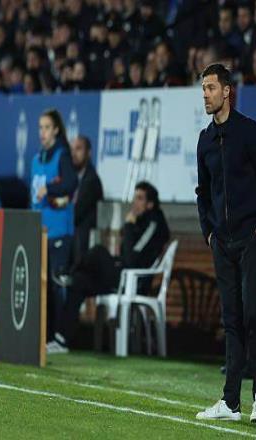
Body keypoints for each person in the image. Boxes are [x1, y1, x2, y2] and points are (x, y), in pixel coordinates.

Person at [195, 63, 256, 423]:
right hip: (222, 243)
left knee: (253, 315)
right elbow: (202, 192)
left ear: (227, 91)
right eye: (203, 89)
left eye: (211, 88)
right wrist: (209, 232)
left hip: (250, 240)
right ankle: (231, 402)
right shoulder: (205, 140)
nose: (206, 95)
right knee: (231, 319)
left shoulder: (248, 131)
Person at [52, 181, 170, 351]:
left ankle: (68, 272)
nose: (134, 202)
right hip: (121, 275)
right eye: (134, 197)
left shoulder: (154, 224)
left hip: (133, 281)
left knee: (98, 251)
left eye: (140, 198)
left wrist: (128, 226)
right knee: (78, 282)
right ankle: (61, 340)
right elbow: (127, 255)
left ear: (150, 204)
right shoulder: (139, 221)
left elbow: (131, 260)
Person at [30, 109, 77, 351]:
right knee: (43, 285)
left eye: (47, 127)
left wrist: (49, 188)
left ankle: (61, 337)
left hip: (59, 231)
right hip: (40, 230)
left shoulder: (62, 155)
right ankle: (45, 335)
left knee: (59, 285)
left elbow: (71, 183)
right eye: (40, 127)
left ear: (56, 130)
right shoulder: (36, 159)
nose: (43, 132)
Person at [70, 136, 103, 264]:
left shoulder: (91, 180)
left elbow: (77, 212)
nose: (74, 153)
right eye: (72, 149)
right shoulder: (70, 176)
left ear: (89, 153)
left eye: (78, 149)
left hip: (83, 242)